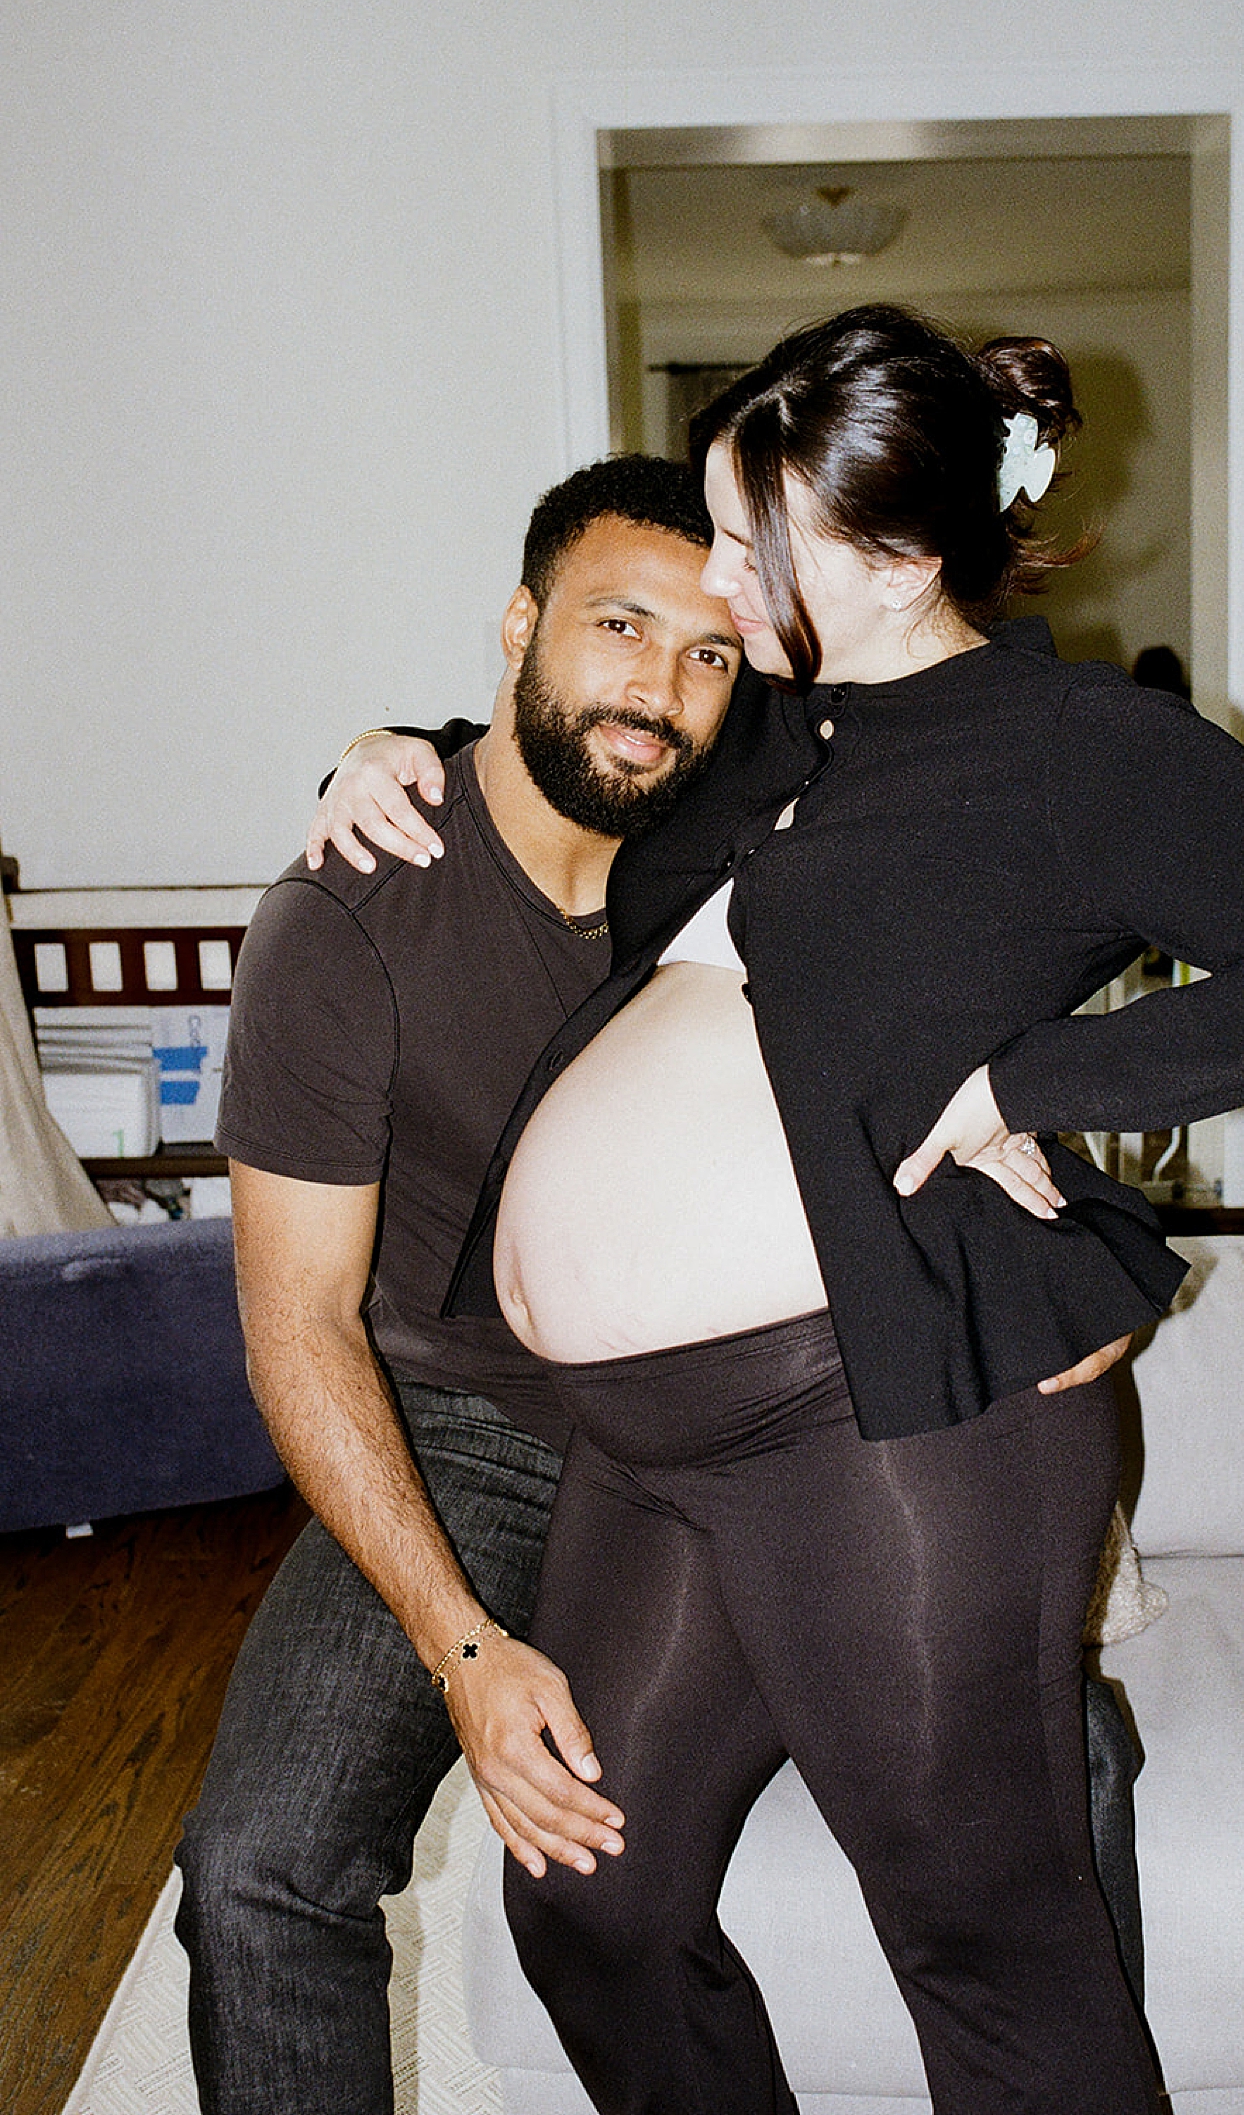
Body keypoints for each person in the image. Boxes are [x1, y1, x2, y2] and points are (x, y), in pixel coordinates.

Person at [330, 305, 1244, 2115]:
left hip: (878, 1423)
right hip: (642, 1438)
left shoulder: (1079, 743)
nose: (713, 575)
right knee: (594, 1902)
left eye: (741, 536)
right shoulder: (778, 729)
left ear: (897, 553)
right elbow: (598, 752)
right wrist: (400, 748)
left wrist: (1033, 1083)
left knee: (986, 1945)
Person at [172, 456, 742, 2115]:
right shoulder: (348, 917)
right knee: (260, 1866)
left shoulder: (745, 870)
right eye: (618, 626)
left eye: (708, 652)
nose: (658, 686)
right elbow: (296, 1322)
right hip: (466, 1428)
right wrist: (466, 1646)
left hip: (712, 1424)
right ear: (518, 623)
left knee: (1041, 1755)